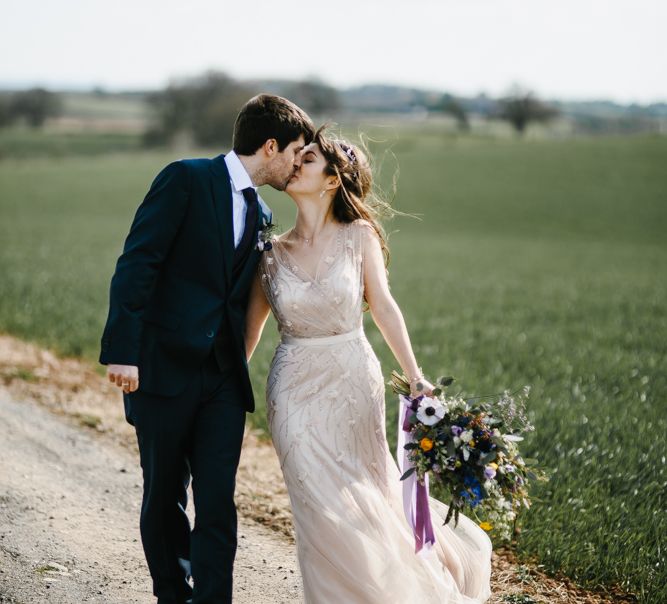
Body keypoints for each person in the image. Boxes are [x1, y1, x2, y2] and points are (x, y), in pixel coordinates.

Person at [245, 127, 492, 603]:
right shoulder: (270, 253)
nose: (295, 165)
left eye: (308, 160)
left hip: (353, 380)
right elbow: (250, 332)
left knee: (368, 498)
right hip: (292, 389)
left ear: (333, 180)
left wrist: (416, 377)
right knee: (317, 505)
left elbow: (383, 306)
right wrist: (224, 390)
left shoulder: (359, 237)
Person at [99, 94, 315, 604]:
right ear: (270, 146)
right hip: (161, 370)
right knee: (164, 496)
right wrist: (122, 351)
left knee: (218, 500)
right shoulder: (186, 179)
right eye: (296, 151)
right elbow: (138, 263)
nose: (298, 163)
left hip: (221, 378)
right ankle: (172, 594)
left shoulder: (260, 210)